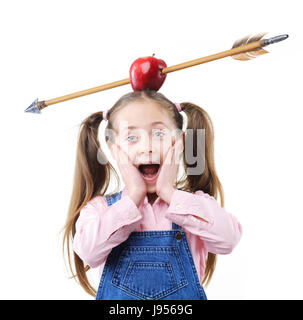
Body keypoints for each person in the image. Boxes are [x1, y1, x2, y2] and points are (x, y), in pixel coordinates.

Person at [62, 89, 243, 300]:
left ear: (180, 143)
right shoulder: (100, 209)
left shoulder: (195, 205)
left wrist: (169, 193)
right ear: (114, 149)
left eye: (159, 134)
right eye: (131, 137)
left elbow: (228, 239)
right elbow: (89, 252)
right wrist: (133, 198)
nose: (147, 147)